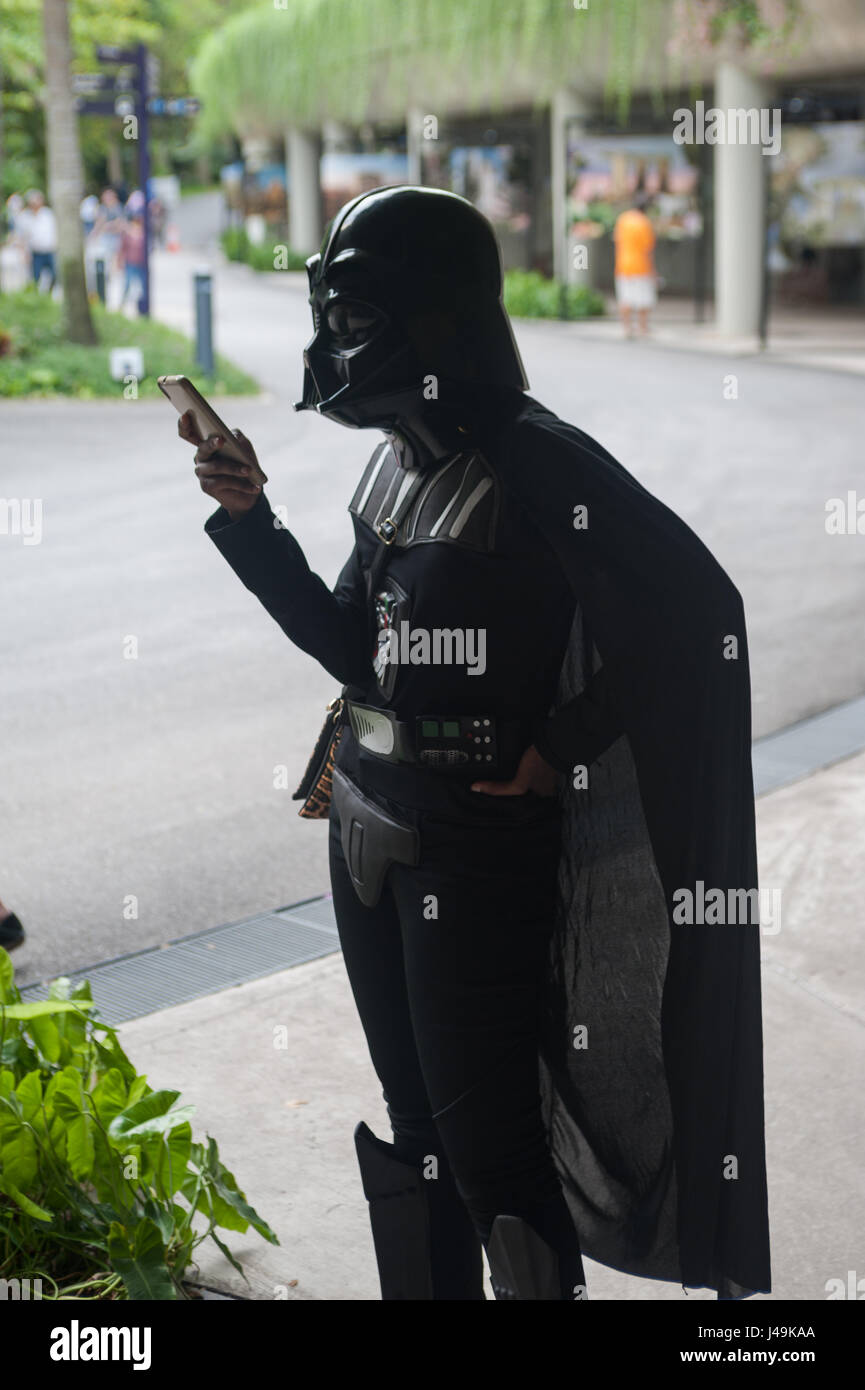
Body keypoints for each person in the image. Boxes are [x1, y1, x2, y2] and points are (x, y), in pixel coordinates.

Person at [180, 186, 770, 1301]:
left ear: (435, 318)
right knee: (420, 1130)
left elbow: (696, 619)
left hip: (474, 845)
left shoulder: (537, 462)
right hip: (366, 822)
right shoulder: (396, 461)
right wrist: (250, 517)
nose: (333, 346)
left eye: (354, 318)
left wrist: (562, 741)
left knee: (493, 1150)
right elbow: (351, 646)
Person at [613, 190, 657, 338]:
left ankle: (627, 328)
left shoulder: (623, 219)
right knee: (643, 299)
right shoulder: (644, 223)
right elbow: (648, 250)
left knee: (625, 298)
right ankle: (643, 328)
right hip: (641, 266)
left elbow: (617, 242)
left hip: (623, 265)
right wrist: (653, 270)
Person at [16, 189, 58, 291]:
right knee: (36, 277)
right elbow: (21, 236)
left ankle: (48, 293)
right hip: (35, 251)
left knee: (54, 275)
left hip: (49, 250)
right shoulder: (24, 217)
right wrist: (24, 252)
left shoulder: (48, 214)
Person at [118, 208, 147, 312]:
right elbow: (122, 248)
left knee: (143, 286)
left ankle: (142, 307)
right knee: (127, 284)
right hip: (130, 262)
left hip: (141, 263)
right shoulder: (128, 232)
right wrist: (119, 261)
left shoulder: (145, 232)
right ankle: (122, 305)